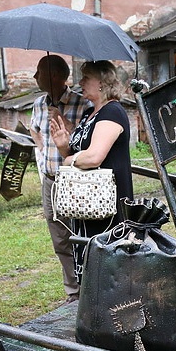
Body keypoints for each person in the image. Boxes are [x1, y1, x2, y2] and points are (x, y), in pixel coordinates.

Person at [51, 60, 133, 282]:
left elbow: (94, 157)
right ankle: (93, 308)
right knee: (89, 261)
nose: (80, 82)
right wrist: (62, 146)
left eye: (86, 77)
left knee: (108, 269)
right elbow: (80, 154)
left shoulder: (113, 112)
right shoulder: (90, 113)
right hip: (86, 202)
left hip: (107, 205)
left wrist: (68, 160)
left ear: (102, 82)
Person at [29, 54, 90, 304]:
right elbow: (34, 128)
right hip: (50, 181)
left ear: (54, 76)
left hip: (75, 181)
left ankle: (90, 286)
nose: (35, 77)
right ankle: (74, 293)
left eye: (39, 72)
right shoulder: (38, 104)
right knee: (59, 238)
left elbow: (86, 141)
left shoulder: (83, 103)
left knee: (80, 235)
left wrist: (62, 120)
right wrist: (42, 149)